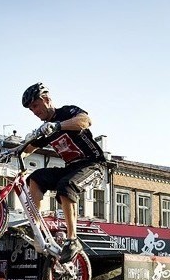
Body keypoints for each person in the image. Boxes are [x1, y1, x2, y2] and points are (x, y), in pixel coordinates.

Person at [16, 82, 107, 263]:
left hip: (93, 165)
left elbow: (85, 121)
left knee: (66, 186)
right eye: (30, 109)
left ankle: (73, 239)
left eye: (35, 105)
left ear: (47, 99)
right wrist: (14, 152)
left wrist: (58, 126)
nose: (34, 111)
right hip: (71, 168)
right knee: (36, 178)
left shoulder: (67, 113)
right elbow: (29, 148)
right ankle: (38, 229)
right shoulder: (45, 129)